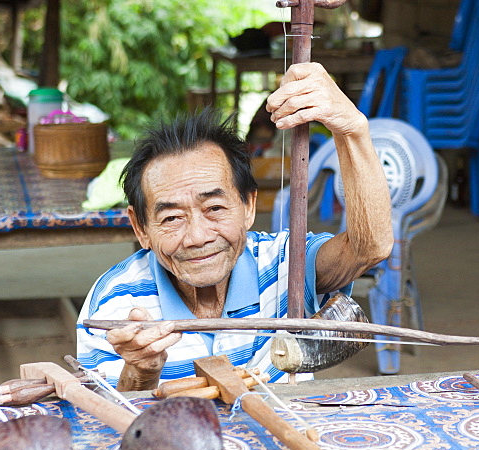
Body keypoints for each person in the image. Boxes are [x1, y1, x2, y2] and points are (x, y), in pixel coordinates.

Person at [77, 62, 393, 390]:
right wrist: (141, 371)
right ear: (140, 228)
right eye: (172, 218)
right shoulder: (114, 305)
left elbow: (369, 248)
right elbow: (110, 424)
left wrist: (352, 129)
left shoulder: (284, 263)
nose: (197, 237)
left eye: (214, 208)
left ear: (248, 206)